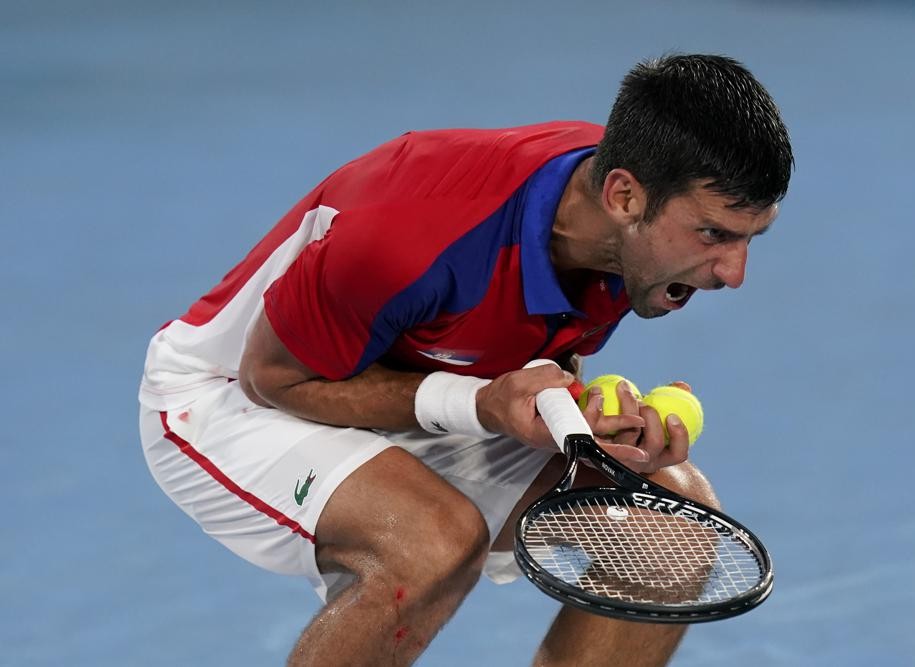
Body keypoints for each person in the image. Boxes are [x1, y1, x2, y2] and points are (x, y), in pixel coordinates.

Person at [138, 53, 793, 666]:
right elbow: (272, 377)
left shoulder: (632, 229)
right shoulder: (412, 231)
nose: (735, 272)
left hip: (406, 387)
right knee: (432, 542)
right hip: (231, 395)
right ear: (623, 197)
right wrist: (479, 404)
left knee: (671, 532)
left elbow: (531, 354)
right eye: (714, 234)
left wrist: (585, 421)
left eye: (751, 238)